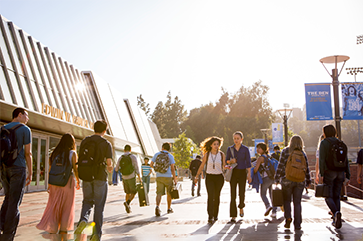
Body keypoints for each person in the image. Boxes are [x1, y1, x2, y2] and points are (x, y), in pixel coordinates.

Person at [74, 120, 113, 241]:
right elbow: (109, 163)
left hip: (86, 176)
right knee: (99, 206)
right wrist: (110, 169)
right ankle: (96, 234)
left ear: (94, 128)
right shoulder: (106, 143)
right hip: (100, 177)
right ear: (104, 130)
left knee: (87, 202)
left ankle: (83, 220)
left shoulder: (86, 141)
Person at [36, 133, 80, 236]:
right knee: (67, 206)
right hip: (67, 182)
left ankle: (53, 227)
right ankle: (64, 229)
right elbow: (75, 169)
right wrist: (78, 180)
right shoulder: (72, 153)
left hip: (55, 183)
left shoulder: (55, 153)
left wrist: (49, 184)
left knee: (54, 205)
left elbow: (50, 169)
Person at [0, 108, 32, 241]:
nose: (27, 118)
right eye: (26, 115)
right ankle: (8, 235)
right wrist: (30, 171)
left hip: (3, 168)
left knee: (8, 198)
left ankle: (1, 224)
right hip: (18, 168)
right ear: (19, 115)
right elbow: (28, 153)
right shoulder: (25, 129)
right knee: (14, 202)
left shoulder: (3, 128)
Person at [274, 135, 311, 230]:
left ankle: (288, 218)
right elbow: (306, 168)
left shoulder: (286, 151)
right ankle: (298, 224)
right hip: (300, 181)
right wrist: (308, 180)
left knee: (287, 201)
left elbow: (281, 165)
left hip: (287, 179)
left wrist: (277, 178)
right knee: (297, 202)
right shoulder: (302, 153)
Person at [319, 124, 350, 229]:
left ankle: (336, 213)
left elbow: (322, 160)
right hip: (340, 173)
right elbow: (346, 160)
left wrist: (321, 174)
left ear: (325, 133)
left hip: (329, 172)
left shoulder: (324, 143)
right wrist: (348, 175)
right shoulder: (341, 143)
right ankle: (336, 217)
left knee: (328, 196)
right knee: (337, 196)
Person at [195, 136, 225, 224]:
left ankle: (215, 215)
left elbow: (224, 166)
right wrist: (197, 176)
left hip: (219, 177)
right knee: (210, 196)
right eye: (214, 144)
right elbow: (202, 165)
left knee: (217, 196)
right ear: (211, 145)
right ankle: (210, 216)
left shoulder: (221, 154)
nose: (216, 146)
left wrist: (228, 166)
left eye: (218, 144)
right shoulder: (207, 154)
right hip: (210, 177)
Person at [225, 131, 252, 223]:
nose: (236, 140)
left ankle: (241, 207)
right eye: (234, 138)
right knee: (232, 194)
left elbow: (248, 162)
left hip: (242, 172)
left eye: (238, 138)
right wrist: (230, 161)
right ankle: (233, 214)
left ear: (241, 139)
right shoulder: (230, 149)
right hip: (233, 172)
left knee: (241, 192)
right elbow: (226, 161)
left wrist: (249, 174)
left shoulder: (245, 149)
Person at [150, 142, 177, 216]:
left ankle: (157, 207)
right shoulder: (170, 156)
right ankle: (169, 208)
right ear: (169, 149)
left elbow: (151, 164)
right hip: (168, 177)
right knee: (169, 193)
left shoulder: (157, 154)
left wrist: (156, 169)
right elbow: (172, 168)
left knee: (159, 193)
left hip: (159, 176)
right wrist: (174, 179)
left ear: (162, 147)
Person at [116, 145, 141, 213]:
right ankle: (127, 203)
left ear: (124, 150)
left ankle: (128, 206)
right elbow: (136, 167)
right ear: (130, 150)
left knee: (127, 192)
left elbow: (116, 168)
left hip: (124, 177)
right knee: (133, 192)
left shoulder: (121, 157)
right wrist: (139, 178)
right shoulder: (132, 157)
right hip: (131, 177)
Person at [254, 143, 277, 218]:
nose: (257, 149)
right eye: (257, 148)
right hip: (272, 178)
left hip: (265, 178)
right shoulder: (269, 156)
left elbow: (255, 169)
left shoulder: (260, 158)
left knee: (263, 194)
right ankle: (274, 212)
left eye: (259, 148)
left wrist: (251, 171)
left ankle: (267, 206)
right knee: (272, 195)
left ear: (263, 149)